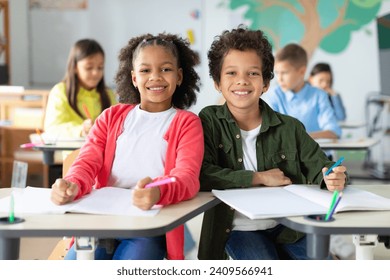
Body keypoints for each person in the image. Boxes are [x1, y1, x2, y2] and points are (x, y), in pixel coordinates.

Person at [197, 26, 347, 260]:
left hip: (288, 227)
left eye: (253, 73)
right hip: (239, 229)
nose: (242, 81)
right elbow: (202, 175)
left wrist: (332, 176)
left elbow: (320, 165)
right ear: (217, 82)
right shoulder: (209, 120)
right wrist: (258, 177)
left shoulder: (290, 127)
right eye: (231, 73)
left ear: (266, 83)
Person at [50, 33, 203, 260]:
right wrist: (72, 184)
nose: (155, 77)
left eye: (166, 69)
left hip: (147, 226)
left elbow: (187, 178)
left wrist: (159, 192)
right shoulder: (111, 116)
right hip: (101, 221)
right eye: (145, 70)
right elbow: (87, 162)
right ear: (133, 78)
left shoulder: (187, 123)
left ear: (179, 76)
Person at [261, 43, 341, 140]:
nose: (279, 79)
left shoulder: (319, 95)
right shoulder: (274, 95)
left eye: (285, 73)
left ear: (302, 71)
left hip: (317, 153)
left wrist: (302, 138)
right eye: (277, 73)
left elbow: (334, 131)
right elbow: (271, 132)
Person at [44, 39, 117, 138]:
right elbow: (52, 130)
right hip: (70, 152)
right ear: (74, 67)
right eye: (89, 67)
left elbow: (118, 126)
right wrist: (80, 130)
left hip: (101, 152)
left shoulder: (108, 94)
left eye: (100, 67)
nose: (96, 72)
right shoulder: (60, 92)